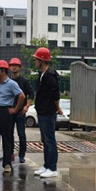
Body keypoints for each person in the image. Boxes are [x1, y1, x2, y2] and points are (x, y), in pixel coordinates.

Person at [0, 61, 25, 173]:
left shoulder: (12, 84)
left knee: (7, 138)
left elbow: (21, 96)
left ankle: (7, 163)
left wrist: (15, 109)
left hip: (6, 112)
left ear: (3, 71)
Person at [32, 47, 63, 179]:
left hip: (48, 112)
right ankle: (46, 165)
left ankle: (52, 168)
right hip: (42, 111)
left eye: (36, 59)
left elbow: (55, 95)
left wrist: (57, 108)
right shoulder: (42, 74)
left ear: (42, 60)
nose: (35, 62)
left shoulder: (50, 76)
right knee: (45, 140)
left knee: (50, 140)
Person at [9, 57, 34, 163]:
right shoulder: (7, 81)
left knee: (21, 134)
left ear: (20, 67)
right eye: (12, 65)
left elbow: (31, 94)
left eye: (16, 65)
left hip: (20, 112)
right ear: (9, 67)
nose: (14, 67)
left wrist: (27, 106)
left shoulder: (24, 81)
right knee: (9, 133)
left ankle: (22, 155)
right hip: (10, 111)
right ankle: (10, 153)